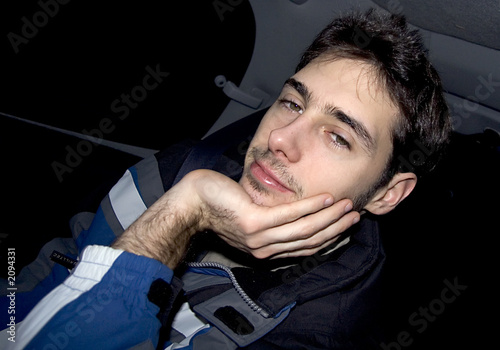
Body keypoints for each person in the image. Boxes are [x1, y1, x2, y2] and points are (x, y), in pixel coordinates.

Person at [6, 9, 451, 349]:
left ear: (388, 194)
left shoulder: (321, 328)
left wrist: (182, 215)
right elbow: (57, 262)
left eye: (336, 137)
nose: (280, 138)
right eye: (293, 104)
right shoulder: (185, 166)